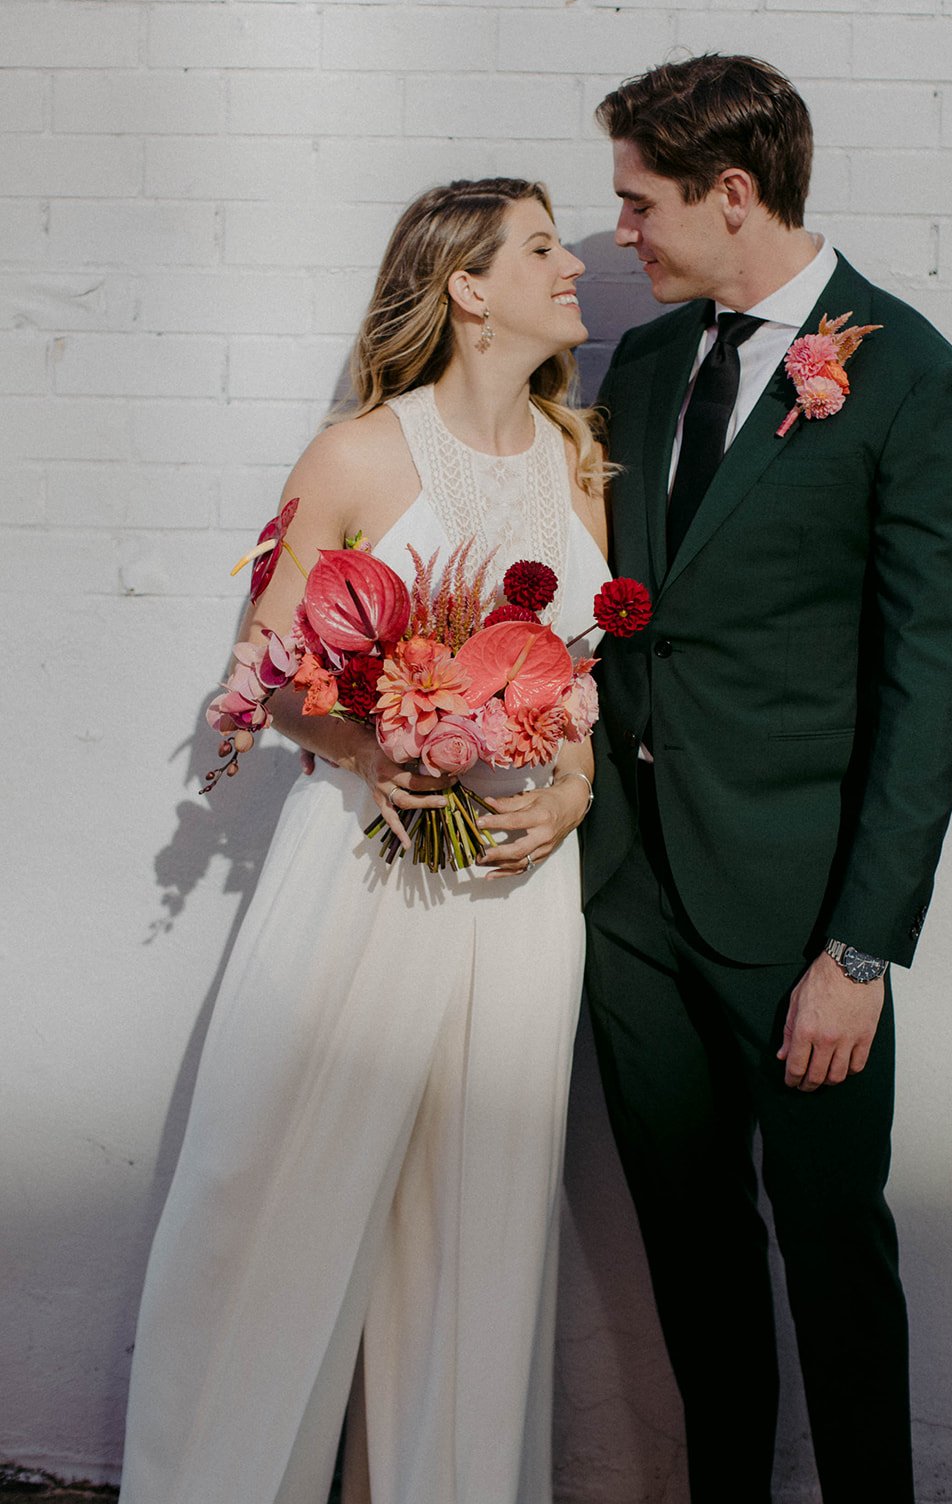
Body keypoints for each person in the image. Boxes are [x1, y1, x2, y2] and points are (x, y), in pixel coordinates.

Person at [118, 178, 609, 1504]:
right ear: (467, 287)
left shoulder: (577, 457)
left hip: (520, 898)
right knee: (271, 1202)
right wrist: (369, 748)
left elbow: (583, 680)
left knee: (478, 1231)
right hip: (359, 875)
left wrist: (571, 795)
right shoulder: (356, 455)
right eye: (545, 249)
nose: (575, 269)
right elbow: (264, 674)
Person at [581, 55, 952, 1504]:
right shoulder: (639, 368)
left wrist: (861, 948)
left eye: (638, 201)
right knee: (689, 1260)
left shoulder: (918, 384)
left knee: (832, 1255)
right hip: (630, 904)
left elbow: (934, 690)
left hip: (804, 921)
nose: (620, 229)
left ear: (734, 192)